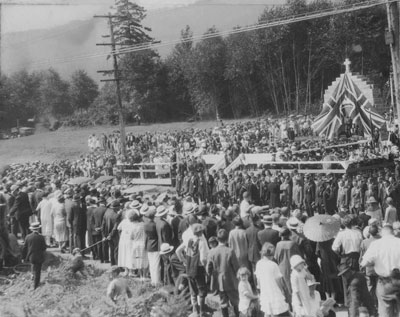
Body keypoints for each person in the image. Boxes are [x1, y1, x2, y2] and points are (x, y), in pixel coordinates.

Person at [361, 224, 400, 317]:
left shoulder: (376, 244)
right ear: (393, 232)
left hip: (385, 281)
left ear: (382, 233)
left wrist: (375, 262)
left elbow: (364, 263)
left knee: (385, 310)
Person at [207, 229, 240, 317]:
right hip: (231, 280)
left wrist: (211, 277)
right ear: (227, 239)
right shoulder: (230, 251)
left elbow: (208, 268)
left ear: (217, 239)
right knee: (235, 301)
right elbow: (237, 267)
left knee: (223, 303)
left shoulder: (212, 252)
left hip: (219, 282)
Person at [255, 242, 290, 317]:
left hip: (265, 290)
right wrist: (282, 290)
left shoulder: (259, 264)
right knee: (275, 310)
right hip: (274, 290)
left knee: (267, 310)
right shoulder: (273, 265)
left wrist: (261, 290)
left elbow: (258, 280)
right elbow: (278, 281)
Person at [274, 227, 301, 294]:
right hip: (291, 266)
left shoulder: (278, 244)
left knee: (285, 286)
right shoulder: (293, 244)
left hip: (282, 267)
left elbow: (276, 257)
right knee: (293, 284)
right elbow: (298, 256)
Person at [22, 222, 47, 290]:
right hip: (39, 256)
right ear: (38, 229)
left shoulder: (28, 237)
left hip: (31, 256)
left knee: (33, 265)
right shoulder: (41, 237)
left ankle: (32, 275)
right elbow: (44, 247)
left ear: (32, 229)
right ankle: (36, 285)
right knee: (38, 271)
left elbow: (24, 248)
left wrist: (23, 257)